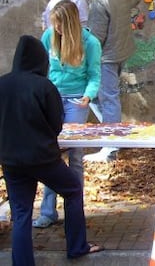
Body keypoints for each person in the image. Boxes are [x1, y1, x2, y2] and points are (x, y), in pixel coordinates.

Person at [0, 35, 103, 265]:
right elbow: (56, 124)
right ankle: (77, 246)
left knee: (21, 213)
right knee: (73, 189)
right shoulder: (44, 86)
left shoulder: (2, 84)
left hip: (11, 161)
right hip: (43, 158)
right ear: (41, 60)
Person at [33, 0, 102, 229]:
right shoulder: (48, 36)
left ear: (70, 24)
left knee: (74, 155)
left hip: (76, 101)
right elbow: (41, 70)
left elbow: (94, 75)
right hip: (51, 99)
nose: (57, 29)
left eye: (60, 25)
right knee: (52, 154)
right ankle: (47, 211)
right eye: (54, 25)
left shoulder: (90, 43)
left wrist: (88, 95)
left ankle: (75, 209)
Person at [83, 0, 140, 162]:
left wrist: (86, 58)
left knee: (107, 98)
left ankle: (111, 147)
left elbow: (96, 35)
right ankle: (115, 133)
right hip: (121, 53)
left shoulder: (99, 0)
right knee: (100, 98)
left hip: (105, 56)